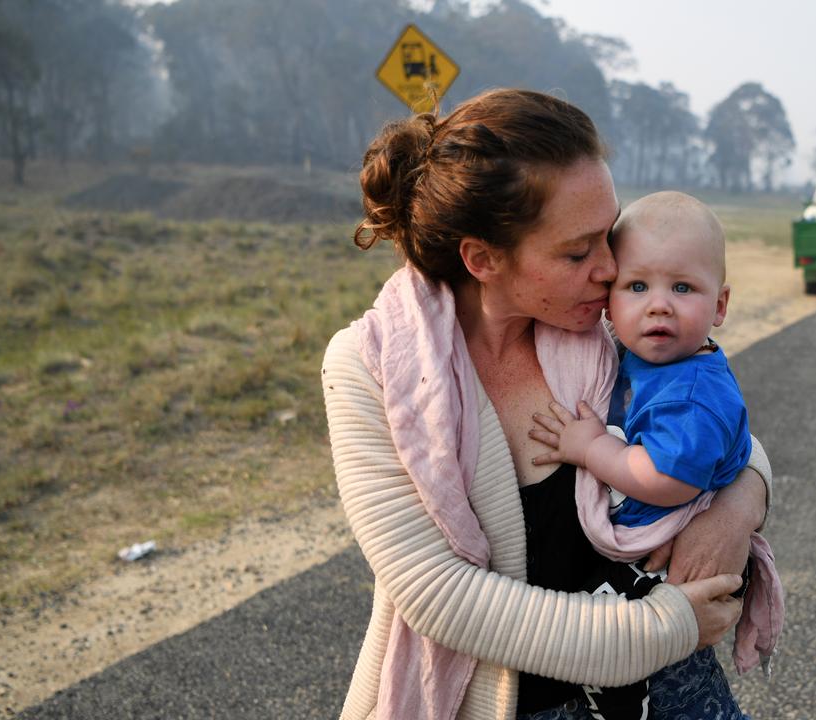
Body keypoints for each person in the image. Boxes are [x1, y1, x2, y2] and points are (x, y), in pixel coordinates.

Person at [322, 88, 773, 720]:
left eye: (608, 235)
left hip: (669, 693)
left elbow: (722, 432)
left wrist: (736, 506)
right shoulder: (372, 368)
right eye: (578, 250)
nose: (613, 268)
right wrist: (665, 627)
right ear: (482, 259)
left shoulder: (610, 322)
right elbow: (438, 595)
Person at [529, 191, 781, 720]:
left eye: (682, 287)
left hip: (659, 570)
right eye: (637, 286)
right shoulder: (641, 356)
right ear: (610, 299)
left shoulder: (691, 391)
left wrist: (592, 447)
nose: (659, 303)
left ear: (720, 305)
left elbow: (667, 479)